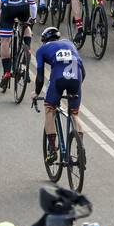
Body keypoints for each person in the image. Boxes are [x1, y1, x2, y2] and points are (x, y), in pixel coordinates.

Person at [32, 27, 85, 166]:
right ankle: (81, 148)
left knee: (49, 109)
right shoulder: (69, 43)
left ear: (44, 40)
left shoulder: (42, 50)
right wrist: (75, 88)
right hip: (76, 77)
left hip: (59, 78)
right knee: (74, 114)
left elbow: (40, 76)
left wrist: (36, 93)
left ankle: (52, 149)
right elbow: (83, 71)